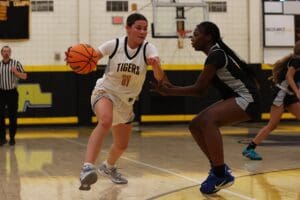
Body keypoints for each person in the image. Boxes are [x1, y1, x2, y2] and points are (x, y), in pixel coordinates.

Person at [153, 21, 261, 194]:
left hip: (247, 99)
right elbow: (199, 88)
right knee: (195, 125)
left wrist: (170, 91)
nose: (191, 38)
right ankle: (219, 169)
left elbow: (199, 90)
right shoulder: (215, 53)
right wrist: (170, 88)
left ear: (208, 37)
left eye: (196, 34)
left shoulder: (216, 55)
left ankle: (220, 173)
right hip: (238, 98)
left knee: (209, 121)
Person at [65, 13, 165, 190]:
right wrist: (74, 58)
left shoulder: (149, 49)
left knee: (122, 145)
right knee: (105, 121)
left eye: (145, 28)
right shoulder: (115, 44)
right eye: (138, 27)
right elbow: (91, 56)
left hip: (126, 102)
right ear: (127, 28)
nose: (142, 31)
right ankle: (87, 167)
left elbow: (159, 77)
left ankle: (108, 167)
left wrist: (156, 65)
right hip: (105, 92)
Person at [242, 41, 300, 160]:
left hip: (289, 95)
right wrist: (297, 92)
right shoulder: (297, 61)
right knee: (272, 125)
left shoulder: (296, 60)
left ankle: (250, 149)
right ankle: (249, 149)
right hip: (281, 94)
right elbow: (289, 77)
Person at [0, 45, 27, 146]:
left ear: (10, 53)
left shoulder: (16, 63)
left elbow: (24, 76)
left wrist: (16, 72)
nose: (6, 53)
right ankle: (2, 138)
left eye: (8, 51)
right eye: (4, 51)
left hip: (12, 93)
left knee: (13, 116)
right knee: (0, 116)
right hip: (1, 92)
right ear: (1, 53)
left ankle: (12, 138)